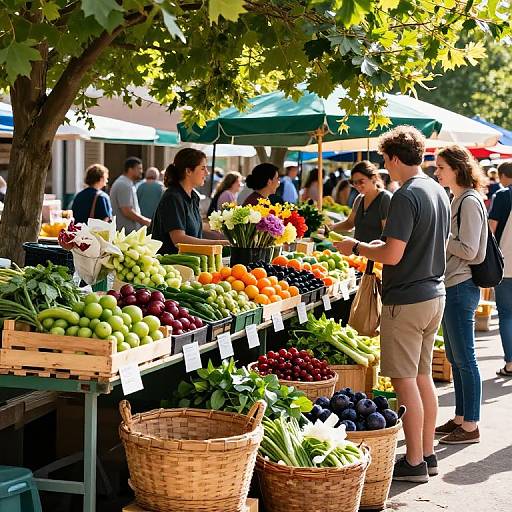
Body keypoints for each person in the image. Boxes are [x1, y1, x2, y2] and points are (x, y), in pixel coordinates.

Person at [335, 126, 450, 483]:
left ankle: (414, 461)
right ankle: (427, 454)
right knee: (422, 378)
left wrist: (355, 247)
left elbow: (392, 254)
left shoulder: (405, 195)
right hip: (434, 294)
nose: (385, 167)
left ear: (396, 158)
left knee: (405, 384)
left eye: (385, 160)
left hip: (407, 299)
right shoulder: (437, 190)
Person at [433, 145, 488, 445]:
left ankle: (471, 425)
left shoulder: (468, 201)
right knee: (456, 357)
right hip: (453, 284)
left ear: (457, 167)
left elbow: (472, 251)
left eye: (441, 166)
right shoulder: (458, 199)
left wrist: (443, 235)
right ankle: (460, 418)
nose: (437, 171)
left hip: (461, 285)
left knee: (465, 358)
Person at [150, 148, 228, 254]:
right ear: (188, 171)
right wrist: (218, 243)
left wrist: (225, 231)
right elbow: (178, 239)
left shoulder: (194, 196)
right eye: (203, 168)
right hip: (172, 265)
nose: (207, 173)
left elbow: (195, 226)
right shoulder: (173, 197)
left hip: (192, 262)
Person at [330, 161, 391, 243]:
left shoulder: (385, 199)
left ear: (373, 178)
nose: (357, 186)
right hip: (358, 253)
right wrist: (330, 227)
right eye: (354, 182)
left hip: (375, 253)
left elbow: (387, 235)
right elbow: (349, 223)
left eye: (361, 181)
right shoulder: (359, 199)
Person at [489, 162, 512, 377]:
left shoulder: (503, 196)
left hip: (506, 264)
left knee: (506, 315)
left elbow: (491, 230)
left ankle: (511, 364)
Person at [110, 157, 150, 233]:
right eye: (139, 169)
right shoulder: (124, 184)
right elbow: (126, 210)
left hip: (127, 233)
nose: (141, 171)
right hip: (125, 234)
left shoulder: (127, 183)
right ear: (130, 169)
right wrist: (145, 221)